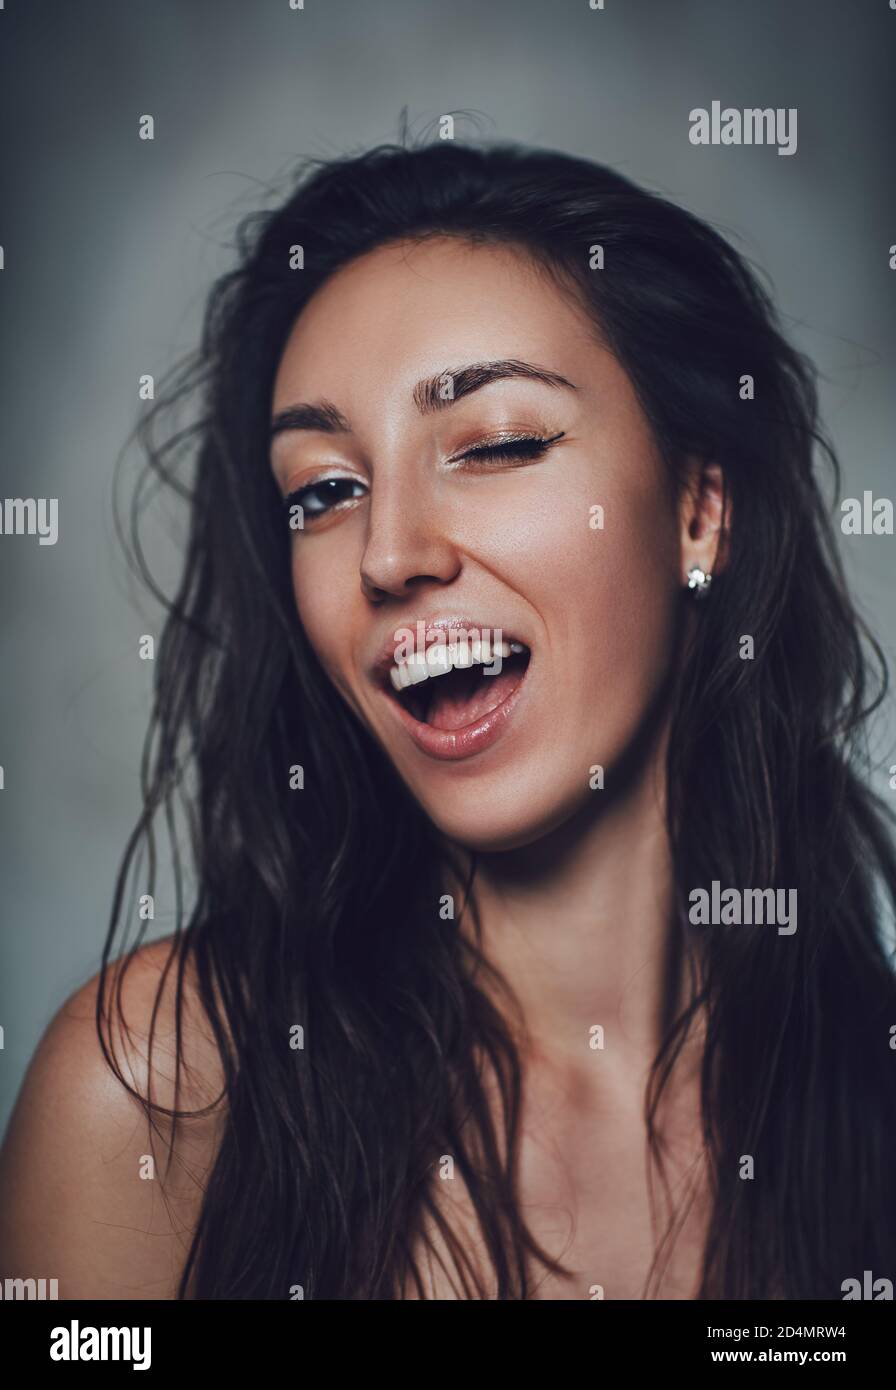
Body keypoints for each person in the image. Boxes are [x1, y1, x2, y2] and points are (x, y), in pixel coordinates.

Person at [2, 139, 895, 1300]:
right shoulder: (160, 1092)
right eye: (323, 489)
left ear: (696, 510)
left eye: (497, 444)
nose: (387, 554)